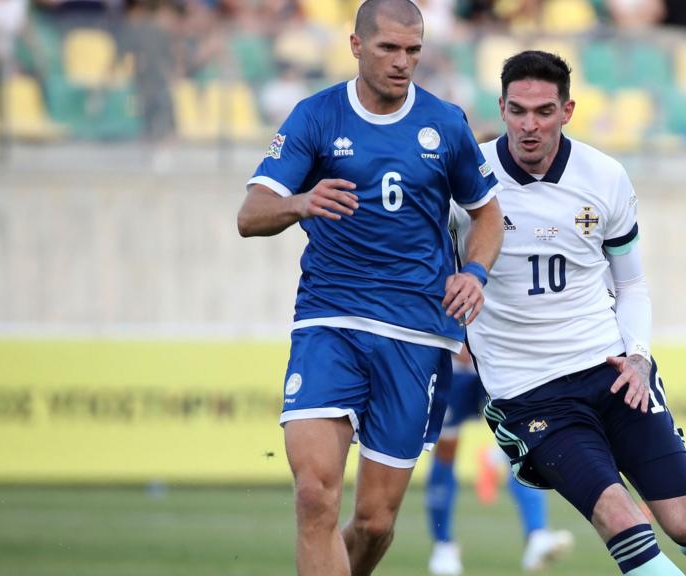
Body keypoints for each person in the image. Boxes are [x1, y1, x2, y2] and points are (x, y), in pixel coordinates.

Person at [451, 50, 686, 576]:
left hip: (611, 369)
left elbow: (632, 282)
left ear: (567, 110)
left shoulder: (604, 176)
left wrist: (638, 358)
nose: (530, 125)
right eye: (518, 110)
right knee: (621, 517)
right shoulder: (466, 183)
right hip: (529, 391)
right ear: (501, 107)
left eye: (544, 111)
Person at [235, 0, 503, 574]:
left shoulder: (446, 124)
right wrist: (298, 202)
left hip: (415, 333)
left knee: (376, 522)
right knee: (315, 496)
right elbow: (249, 214)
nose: (402, 62)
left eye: (412, 51)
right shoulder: (316, 116)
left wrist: (475, 274)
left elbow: (488, 216)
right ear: (357, 47)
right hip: (329, 320)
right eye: (388, 48)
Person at [426, 348, 574, 575]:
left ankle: (536, 534)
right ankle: (443, 544)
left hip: (496, 360)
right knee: (446, 448)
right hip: (455, 364)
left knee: (520, 443)